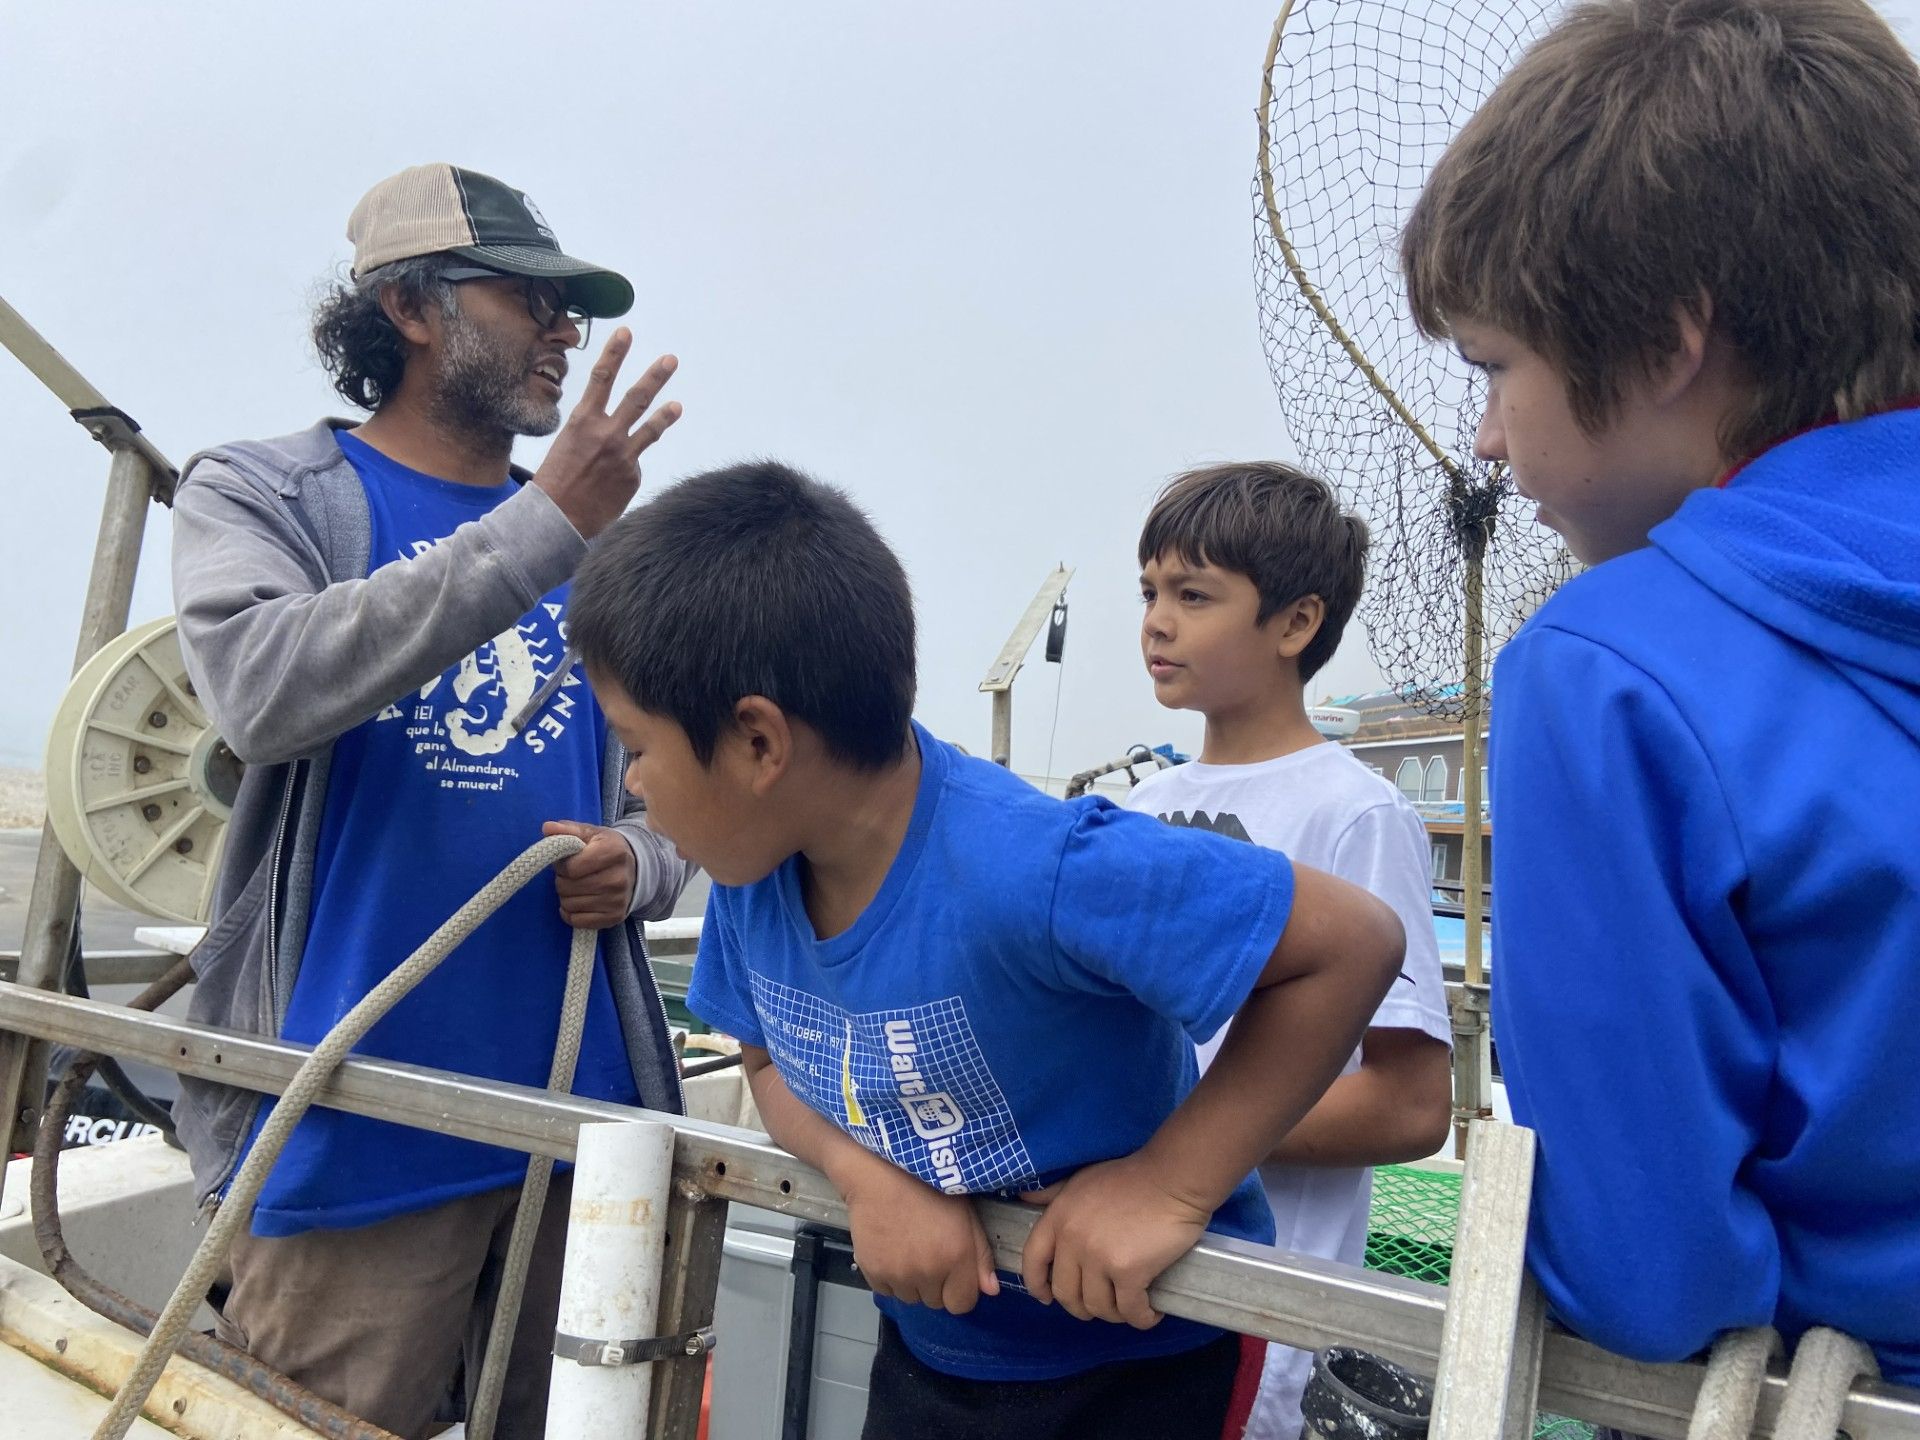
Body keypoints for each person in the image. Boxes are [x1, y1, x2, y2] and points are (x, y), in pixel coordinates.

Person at [566, 459, 1406, 1440]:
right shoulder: (755, 880)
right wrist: (868, 1178)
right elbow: (761, 1059)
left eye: (636, 743)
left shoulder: (1036, 869)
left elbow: (1353, 944)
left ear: (759, 743)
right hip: (930, 1344)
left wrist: (1171, 1184)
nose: (633, 783)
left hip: (1136, 1360)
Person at [1400, 0, 1920, 1384]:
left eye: (1499, 366)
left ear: (1671, 338)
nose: (1493, 440)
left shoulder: (1609, 673)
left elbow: (1652, 1274)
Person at [170, 162, 694, 1436]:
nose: (565, 332)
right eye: (532, 299)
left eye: (571, 308)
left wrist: (644, 861)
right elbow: (261, 686)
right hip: (344, 1132)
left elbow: (681, 794)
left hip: (588, 1141)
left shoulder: (604, 548)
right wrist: (545, 529)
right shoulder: (260, 491)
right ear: (410, 308)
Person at [1122, 461, 1452, 1438]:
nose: (1156, 621)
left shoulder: (1356, 814)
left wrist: (1171, 1135)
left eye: (1193, 595)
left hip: (1263, 1319)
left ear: (1296, 624)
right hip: (1123, 1298)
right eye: (1148, 591)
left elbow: (1408, 1101)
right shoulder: (1133, 812)